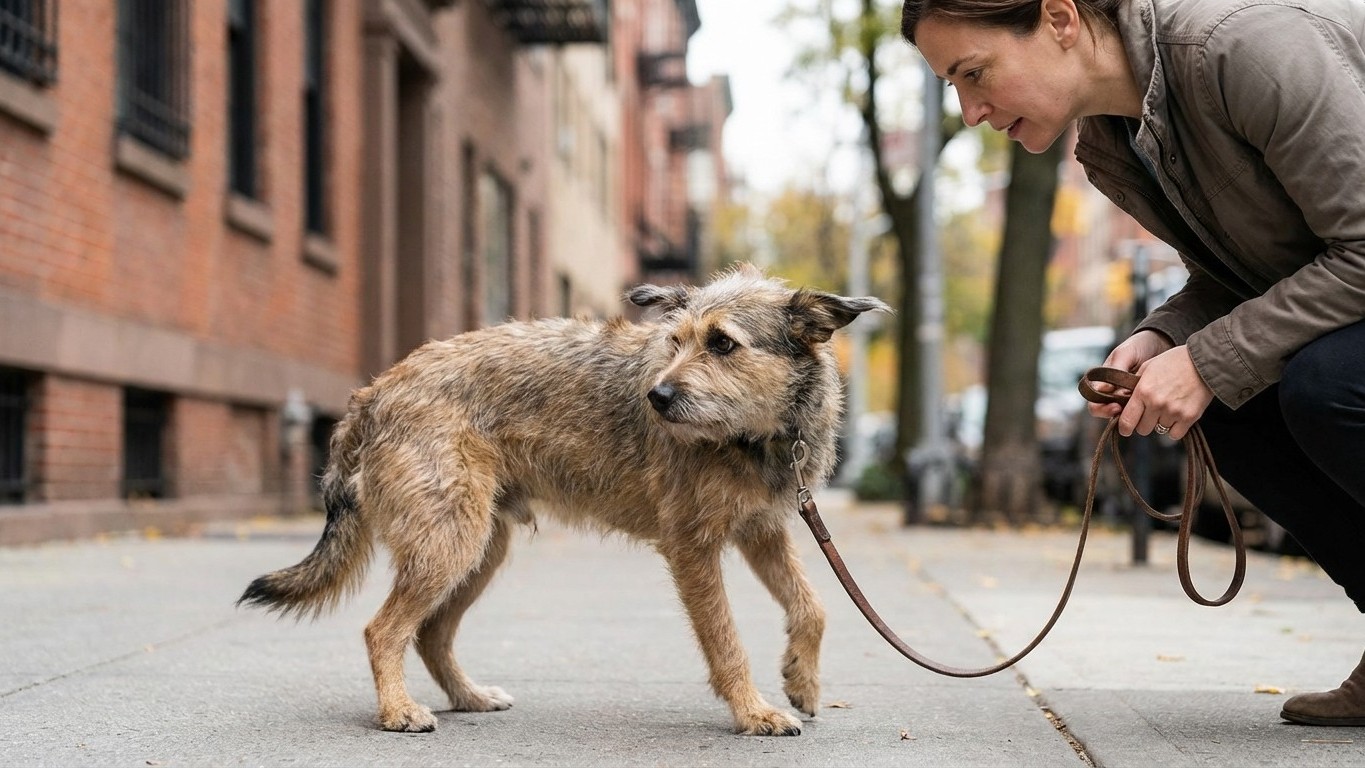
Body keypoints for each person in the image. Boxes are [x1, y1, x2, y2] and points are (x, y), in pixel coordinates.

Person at [900, 0, 1365, 726]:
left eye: (974, 73)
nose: (968, 110)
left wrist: (1205, 359)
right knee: (1227, 407)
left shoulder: (1242, 48)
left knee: (1323, 385)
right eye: (951, 87)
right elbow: (1241, 278)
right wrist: (1164, 336)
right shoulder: (1112, 145)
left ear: (1058, 19)